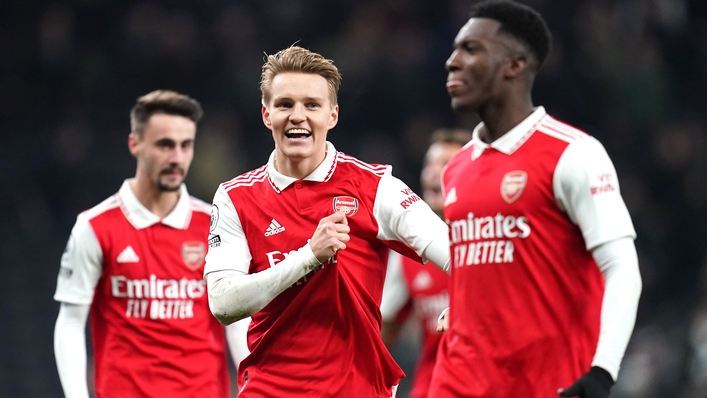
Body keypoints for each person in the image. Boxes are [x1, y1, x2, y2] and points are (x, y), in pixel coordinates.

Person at [204, 45, 450, 398]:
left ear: (332, 115)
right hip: (269, 389)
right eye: (285, 104)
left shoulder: (374, 186)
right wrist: (308, 257)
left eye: (312, 105)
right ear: (266, 114)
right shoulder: (235, 197)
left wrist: (473, 305)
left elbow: (458, 251)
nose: (297, 116)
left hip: (356, 389)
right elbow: (223, 304)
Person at [431, 1, 643, 398]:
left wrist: (603, 372)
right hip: (457, 382)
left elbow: (622, 268)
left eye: (471, 49)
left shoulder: (574, 153)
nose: (452, 61)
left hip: (545, 384)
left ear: (515, 65)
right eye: (455, 48)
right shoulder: (456, 168)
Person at [53, 90, 249, 398]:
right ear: (135, 144)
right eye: (164, 145)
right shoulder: (94, 227)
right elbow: (70, 323)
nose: (177, 157)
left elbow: (236, 320)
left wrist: (253, 386)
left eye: (186, 146)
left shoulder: (216, 223)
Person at [380, 128, 471, 398]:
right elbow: (385, 329)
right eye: (429, 164)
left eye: (446, 164)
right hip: (433, 388)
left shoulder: (496, 243)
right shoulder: (408, 253)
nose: (433, 172)